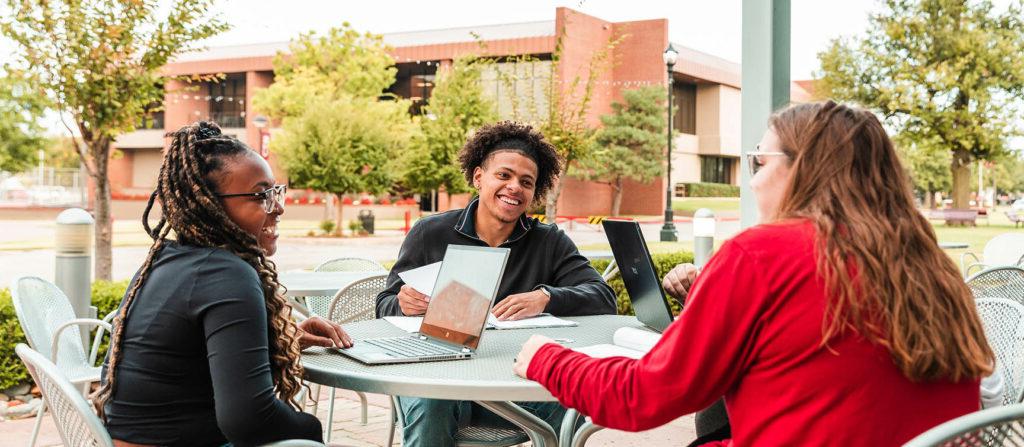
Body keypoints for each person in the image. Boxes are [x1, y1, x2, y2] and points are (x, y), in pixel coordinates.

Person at [514, 101, 994, 446]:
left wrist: (544, 357)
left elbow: (642, 398)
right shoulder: (928, 263)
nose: (753, 179)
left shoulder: (762, 254)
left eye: (759, 162)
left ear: (802, 169)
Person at [93, 122, 352, 447]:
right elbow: (247, 420)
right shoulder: (227, 274)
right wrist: (311, 430)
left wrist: (286, 339)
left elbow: (188, 366)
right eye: (262, 195)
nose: (279, 207)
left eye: (276, 191)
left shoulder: (169, 258)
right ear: (209, 204)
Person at [376, 120, 616, 447]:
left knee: (571, 402)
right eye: (504, 175)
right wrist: (402, 304)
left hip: (513, 387)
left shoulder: (549, 242)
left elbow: (603, 296)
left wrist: (545, 297)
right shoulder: (429, 233)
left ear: (534, 192)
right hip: (439, 379)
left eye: (526, 181)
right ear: (478, 177)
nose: (514, 187)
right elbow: (384, 305)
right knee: (431, 405)